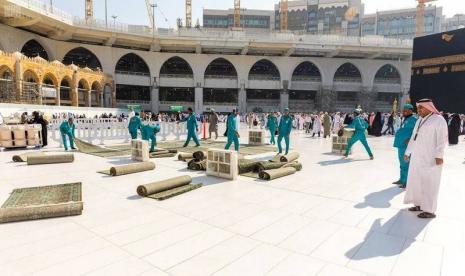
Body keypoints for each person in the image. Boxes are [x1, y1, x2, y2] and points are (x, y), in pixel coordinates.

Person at [404, 99, 448, 219]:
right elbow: (414, 137)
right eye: (418, 108)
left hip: (431, 158)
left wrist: (439, 155)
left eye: (421, 108)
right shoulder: (419, 120)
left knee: (430, 183)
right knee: (416, 181)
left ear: (429, 107)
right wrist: (408, 152)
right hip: (417, 157)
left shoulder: (439, 120)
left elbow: (442, 139)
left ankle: (429, 210)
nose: (418, 110)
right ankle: (418, 204)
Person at [392, 104, 417, 189]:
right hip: (400, 144)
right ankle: (402, 179)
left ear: (411, 110)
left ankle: (407, 182)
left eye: (406, 110)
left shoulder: (414, 119)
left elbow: (416, 131)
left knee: (406, 164)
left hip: (406, 145)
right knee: (402, 163)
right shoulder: (406, 118)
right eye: (403, 110)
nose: (404, 111)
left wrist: (410, 139)